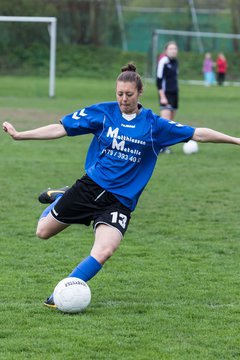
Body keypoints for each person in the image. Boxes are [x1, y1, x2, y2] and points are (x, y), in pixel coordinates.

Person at [2, 63, 240, 309]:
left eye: (129, 94)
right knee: (43, 232)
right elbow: (61, 128)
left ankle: (64, 291)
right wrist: (21, 135)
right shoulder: (103, 113)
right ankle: (63, 197)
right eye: (119, 94)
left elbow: (197, 133)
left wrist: (235, 140)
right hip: (90, 188)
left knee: (105, 250)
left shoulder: (153, 125)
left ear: (139, 93)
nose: (124, 99)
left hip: (121, 201)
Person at [156, 41, 179, 154]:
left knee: (171, 123)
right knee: (165, 123)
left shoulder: (175, 62)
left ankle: (165, 146)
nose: (173, 51)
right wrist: (162, 96)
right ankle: (159, 146)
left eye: (175, 49)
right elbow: (159, 80)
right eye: (171, 49)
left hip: (174, 95)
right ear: (166, 50)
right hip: (165, 95)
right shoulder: (163, 61)